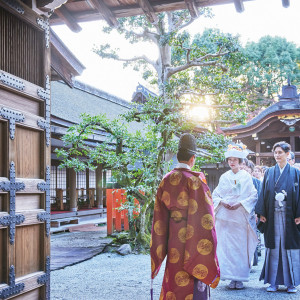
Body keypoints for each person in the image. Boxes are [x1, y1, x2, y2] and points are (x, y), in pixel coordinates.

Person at [150, 133, 220, 300]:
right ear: (193, 158)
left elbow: (159, 218)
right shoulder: (196, 182)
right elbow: (207, 219)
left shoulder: (165, 180)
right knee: (193, 270)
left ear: (177, 156)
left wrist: (160, 246)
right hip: (193, 238)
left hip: (174, 237)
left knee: (174, 274)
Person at [255, 141, 300, 293]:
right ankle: (273, 282)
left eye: (280, 152)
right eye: (275, 152)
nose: (277, 155)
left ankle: (291, 283)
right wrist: (261, 213)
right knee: (273, 248)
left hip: (290, 215)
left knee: (290, 248)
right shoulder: (269, 172)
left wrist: (299, 214)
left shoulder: (296, 173)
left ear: (288, 154)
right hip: (272, 215)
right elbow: (263, 192)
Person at [212, 144, 258, 290]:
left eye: (235, 159)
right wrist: (222, 201)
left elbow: (253, 195)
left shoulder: (246, 176)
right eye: (230, 160)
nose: (232, 162)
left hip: (239, 217)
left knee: (239, 247)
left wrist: (240, 203)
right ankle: (231, 278)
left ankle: (240, 278)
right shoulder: (224, 177)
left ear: (240, 161)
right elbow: (215, 195)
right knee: (227, 248)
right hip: (226, 218)